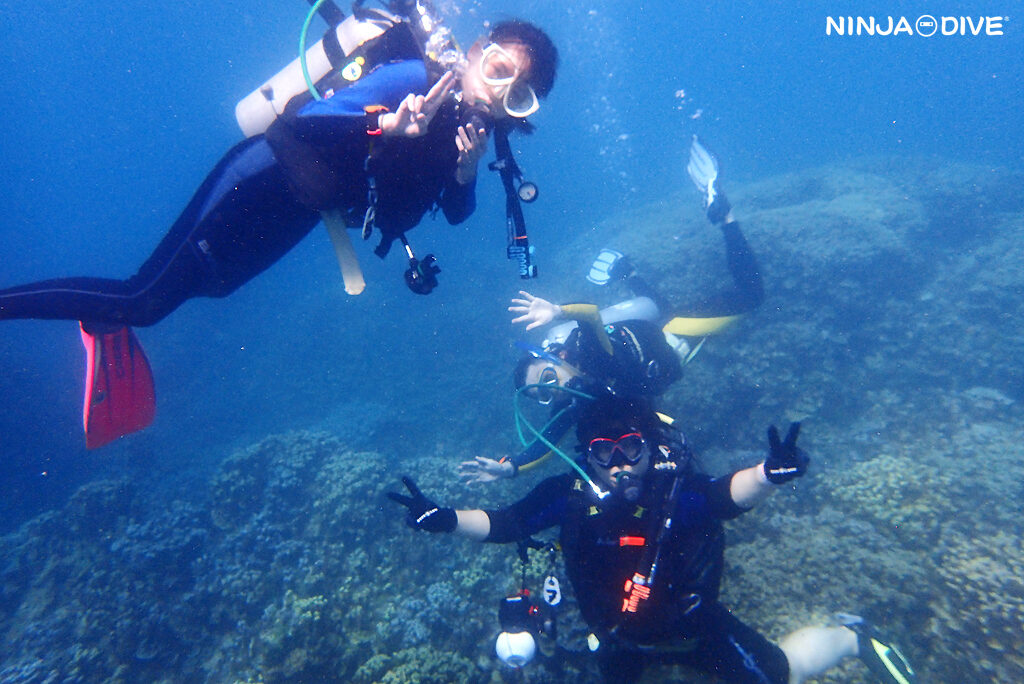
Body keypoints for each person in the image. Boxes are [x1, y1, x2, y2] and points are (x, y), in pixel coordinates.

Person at [0, 11, 558, 447]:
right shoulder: (415, 78)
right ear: (475, 54)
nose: (497, 93)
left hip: (300, 208)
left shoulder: (472, 136)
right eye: (498, 70)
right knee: (145, 299)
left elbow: (456, 213)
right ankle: (88, 310)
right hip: (262, 176)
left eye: (517, 94)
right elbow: (307, 118)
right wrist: (389, 122)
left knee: (213, 285)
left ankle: (104, 319)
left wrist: (465, 170)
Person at [391, 397, 916, 684]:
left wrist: (767, 474)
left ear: (651, 447)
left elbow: (722, 496)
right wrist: (445, 518)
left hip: (693, 627)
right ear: (586, 456)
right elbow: (508, 523)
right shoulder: (567, 495)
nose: (619, 464)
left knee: (781, 674)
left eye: (631, 448)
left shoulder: (673, 493)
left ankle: (853, 638)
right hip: (617, 636)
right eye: (604, 452)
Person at [459, 137, 763, 483]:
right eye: (543, 395)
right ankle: (629, 274)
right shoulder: (574, 400)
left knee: (751, 296)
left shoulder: (586, 350)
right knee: (663, 308)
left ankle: (724, 215)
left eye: (547, 378)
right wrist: (509, 467)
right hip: (654, 347)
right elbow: (546, 443)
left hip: (674, 334)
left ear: (556, 356)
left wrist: (558, 311)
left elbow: (589, 316)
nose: (552, 390)